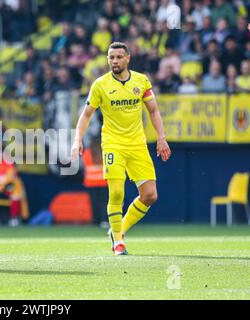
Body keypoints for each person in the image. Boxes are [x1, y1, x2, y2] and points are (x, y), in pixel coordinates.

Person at [71, 42, 171, 256]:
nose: (114, 61)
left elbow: (153, 110)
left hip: (137, 145)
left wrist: (161, 138)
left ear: (127, 58)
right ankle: (118, 243)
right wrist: (76, 139)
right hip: (112, 144)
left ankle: (118, 230)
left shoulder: (141, 81)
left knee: (150, 195)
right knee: (116, 192)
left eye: (118, 57)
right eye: (111, 57)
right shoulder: (100, 85)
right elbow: (86, 114)